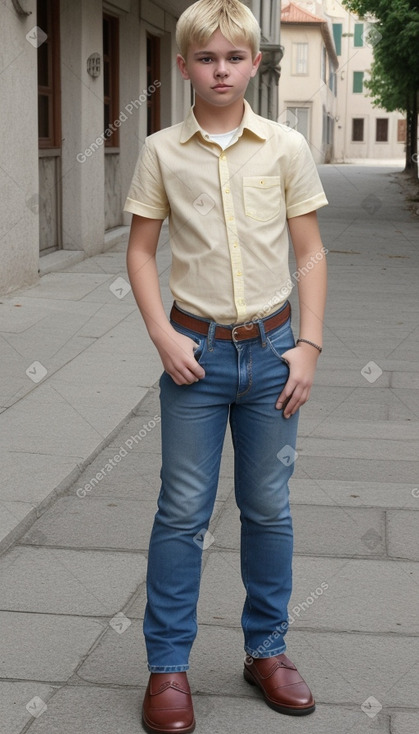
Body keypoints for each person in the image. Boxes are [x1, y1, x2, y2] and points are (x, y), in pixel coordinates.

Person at [125, 1, 328, 731]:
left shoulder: (284, 147)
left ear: (255, 63)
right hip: (195, 358)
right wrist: (161, 335)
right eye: (205, 58)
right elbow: (142, 252)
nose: (219, 69)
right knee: (180, 513)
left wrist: (306, 346)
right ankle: (167, 666)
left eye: (232, 58)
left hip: (273, 355)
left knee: (268, 508)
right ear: (182, 65)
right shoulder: (160, 151)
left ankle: (265, 650)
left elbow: (308, 251)